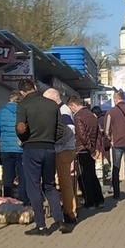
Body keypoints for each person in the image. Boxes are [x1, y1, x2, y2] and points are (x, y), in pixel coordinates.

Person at [15, 82, 70, 235]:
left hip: (31, 148)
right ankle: (60, 221)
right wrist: (51, 138)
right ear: (35, 87)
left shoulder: (24, 104)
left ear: (22, 92)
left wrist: (24, 136)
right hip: (50, 148)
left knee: (34, 187)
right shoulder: (52, 105)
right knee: (50, 185)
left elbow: (20, 128)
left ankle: (41, 226)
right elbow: (61, 129)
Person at [46, 88, 78, 225]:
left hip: (63, 150)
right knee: (65, 182)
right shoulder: (62, 109)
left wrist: (58, 142)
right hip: (65, 149)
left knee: (65, 182)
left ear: (55, 98)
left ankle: (70, 212)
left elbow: (70, 129)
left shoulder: (63, 110)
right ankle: (68, 209)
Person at [0, 91, 25, 203]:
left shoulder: (2, 111)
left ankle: (8, 200)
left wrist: (0, 139)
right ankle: (24, 200)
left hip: (6, 148)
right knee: (22, 176)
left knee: (8, 177)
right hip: (21, 148)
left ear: (10, 99)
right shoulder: (23, 111)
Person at [71, 95, 105, 209]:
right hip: (91, 149)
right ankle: (99, 199)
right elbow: (98, 134)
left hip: (82, 150)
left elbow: (82, 135)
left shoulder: (78, 116)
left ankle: (90, 202)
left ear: (73, 106)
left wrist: (90, 149)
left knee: (84, 177)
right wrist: (96, 149)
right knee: (92, 175)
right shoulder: (92, 115)